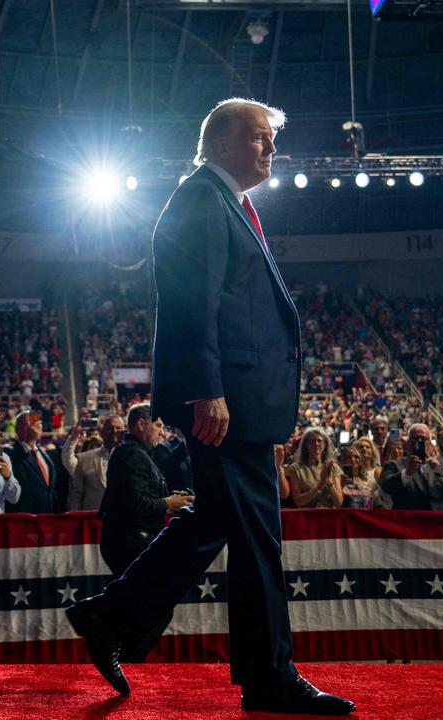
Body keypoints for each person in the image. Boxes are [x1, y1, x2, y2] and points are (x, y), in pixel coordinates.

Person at [65, 98, 354, 714]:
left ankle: (109, 615)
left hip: (241, 398)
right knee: (257, 541)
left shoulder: (225, 201)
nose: (270, 149)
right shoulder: (203, 198)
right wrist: (207, 389)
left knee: (218, 525)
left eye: (270, 139)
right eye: (258, 138)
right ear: (221, 143)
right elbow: (192, 301)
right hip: (227, 400)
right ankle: (268, 677)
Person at [98, 403, 193, 661]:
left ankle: (122, 654)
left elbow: (143, 495)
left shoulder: (138, 454)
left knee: (146, 603)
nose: (161, 433)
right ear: (141, 424)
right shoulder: (131, 454)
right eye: (158, 426)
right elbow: (136, 504)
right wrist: (168, 503)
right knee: (157, 603)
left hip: (133, 539)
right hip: (129, 540)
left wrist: (171, 498)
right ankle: (125, 654)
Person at [380, 424, 443, 510]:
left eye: (423, 439)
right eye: (415, 439)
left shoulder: (440, 464)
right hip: (408, 520)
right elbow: (386, 487)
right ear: (408, 443)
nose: (419, 442)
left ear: (430, 444)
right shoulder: (393, 465)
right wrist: (407, 473)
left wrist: (439, 469)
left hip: (438, 520)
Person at [66, 415, 125, 512]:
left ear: (124, 431)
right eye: (110, 428)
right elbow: (76, 496)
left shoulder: (132, 458)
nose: (114, 431)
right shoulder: (83, 459)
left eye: (118, 428)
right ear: (102, 432)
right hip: (92, 521)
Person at [6, 410, 59, 513]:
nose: (35, 426)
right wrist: (28, 440)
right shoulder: (10, 453)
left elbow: (50, 490)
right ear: (18, 429)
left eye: (37, 422)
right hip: (25, 519)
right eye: (30, 422)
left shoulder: (43, 453)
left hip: (48, 517)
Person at [284, 428, 343, 509]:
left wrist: (330, 483)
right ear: (306, 445)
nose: (316, 443)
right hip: (308, 517)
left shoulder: (333, 467)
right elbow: (298, 502)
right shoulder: (295, 469)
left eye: (319, 441)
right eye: (312, 441)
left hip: (330, 516)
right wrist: (319, 486)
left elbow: (339, 503)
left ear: (325, 445)